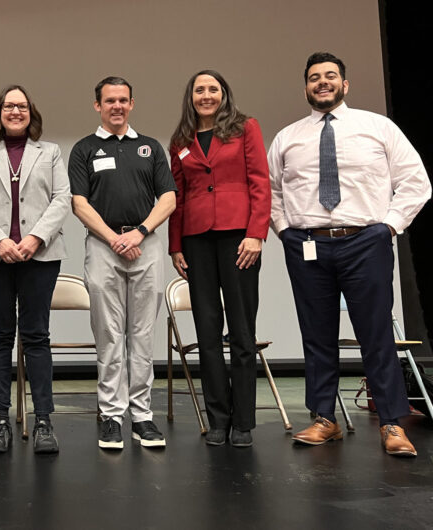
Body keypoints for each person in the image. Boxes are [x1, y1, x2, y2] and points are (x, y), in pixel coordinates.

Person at [269, 52, 431, 457]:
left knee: (375, 333)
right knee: (316, 333)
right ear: (305, 86)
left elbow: (416, 181)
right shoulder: (288, 137)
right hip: (307, 245)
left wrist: (389, 226)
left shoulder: (379, 128)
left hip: (366, 241)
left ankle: (393, 423)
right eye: (314, 78)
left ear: (345, 83)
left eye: (330, 76)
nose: (322, 83)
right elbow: (270, 191)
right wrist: (285, 230)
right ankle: (324, 419)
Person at [68, 76, 176, 450]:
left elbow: (169, 199)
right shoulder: (84, 149)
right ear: (97, 105)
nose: (117, 106)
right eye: (109, 100)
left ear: (132, 104)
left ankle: (142, 416)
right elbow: (79, 203)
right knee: (110, 335)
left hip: (144, 245)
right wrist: (114, 238)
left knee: (142, 334)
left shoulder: (150, 148)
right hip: (103, 247)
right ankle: (112, 415)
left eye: (123, 100)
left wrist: (140, 232)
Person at [0, 85, 71, 454]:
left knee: (37, 335)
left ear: (31, 112)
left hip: (39, 255)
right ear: (0, 112)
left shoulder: (50, 152)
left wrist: (35, 238)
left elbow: (62, 199)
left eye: (21, 106)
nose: (15, 111)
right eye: (9, 106)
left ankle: (43, 421)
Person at [167, 70, 270, 447]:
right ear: (190, 97)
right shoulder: (180, 140)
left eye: (213, 89)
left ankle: (243, 421)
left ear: (224, 93)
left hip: (239, 238)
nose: (206, 95)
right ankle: (219, 420)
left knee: (242, 331)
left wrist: (256, 233)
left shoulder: (246, 128)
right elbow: (176, 195)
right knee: (207, 332)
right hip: (196, 241)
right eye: (199, 90)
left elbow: (260, 181)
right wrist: (175, 245)